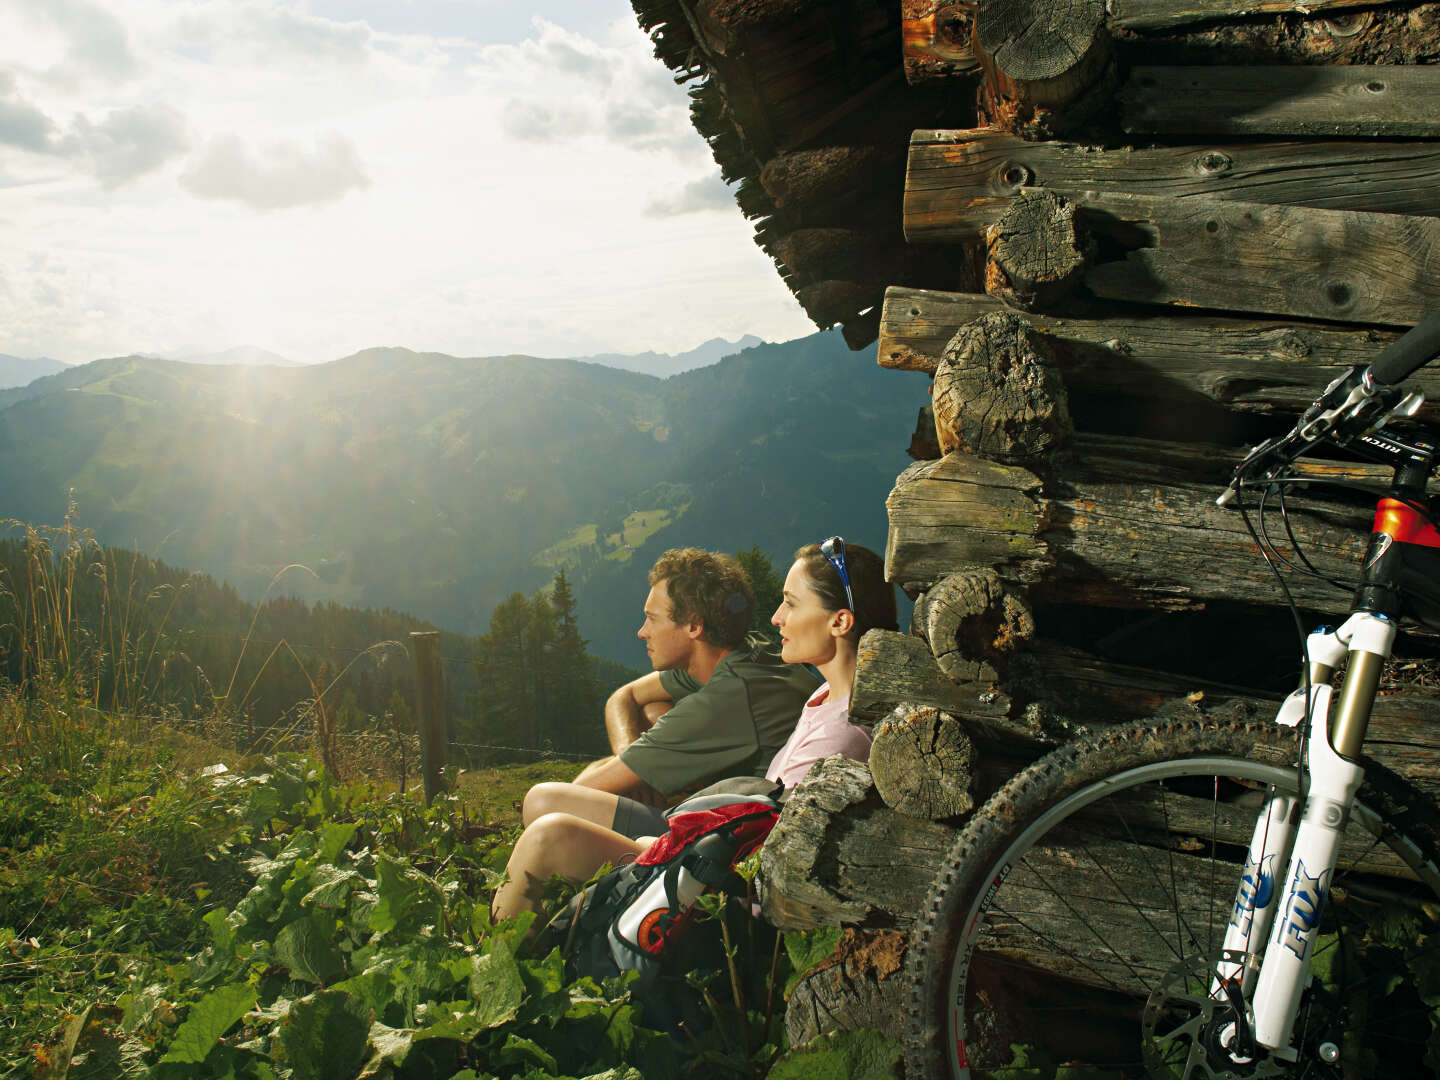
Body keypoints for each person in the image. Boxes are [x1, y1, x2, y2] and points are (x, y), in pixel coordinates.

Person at [492, 537, 897, 921]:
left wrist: (656, 845)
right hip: (714, 842)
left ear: (840, 622)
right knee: (633, 739)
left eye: (790, 604)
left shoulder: (838, 735)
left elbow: (773, 859)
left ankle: (507, 969)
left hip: (720, 889)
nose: (777, 618)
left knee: (548, 835)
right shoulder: (826, 695)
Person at [521, 547, 820, 844]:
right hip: (748, 807)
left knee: (543, 802)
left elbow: (579, 792)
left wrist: (631, 771)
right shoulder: (742, 653)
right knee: (652, 711)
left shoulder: (725, 699)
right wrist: (631, 759)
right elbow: (625, 696)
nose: (642, 632)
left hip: (734, 839)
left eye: (652, 619)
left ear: (693, 626)